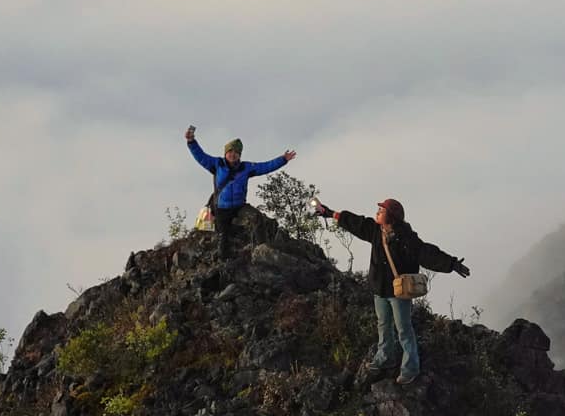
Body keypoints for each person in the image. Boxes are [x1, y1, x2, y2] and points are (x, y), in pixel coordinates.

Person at [313, 197, 468, 385]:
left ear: (392, 217)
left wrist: (451, 264)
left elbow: (426, 253)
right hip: (379, 289)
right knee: (383, 325)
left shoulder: (407, 238)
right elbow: (355, 222)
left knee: (404, 329)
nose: (378, 211)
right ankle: (385, 358)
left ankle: (410, 368)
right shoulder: (375, 231)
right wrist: (329, 213)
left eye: (382, 209)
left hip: (399, 293)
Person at [186, 126, 296, 250]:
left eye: (236, 152)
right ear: (225, 153)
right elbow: (200, 156)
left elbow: (265, 166)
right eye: (230, 151)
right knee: (223, 240)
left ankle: (263, 248)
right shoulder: (217, 164)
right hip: (222, 209)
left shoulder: (246, 168)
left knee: (257, 217)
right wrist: (191, 142)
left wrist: (282, 160)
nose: (233, 155)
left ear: (239, 155)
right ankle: (224, 261)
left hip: (239, 206)